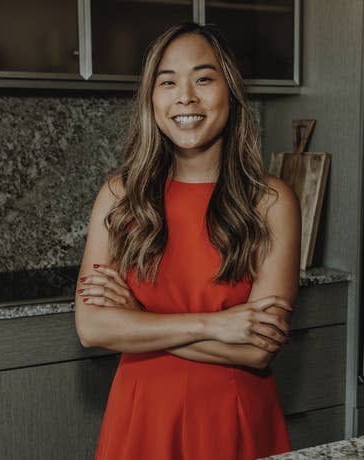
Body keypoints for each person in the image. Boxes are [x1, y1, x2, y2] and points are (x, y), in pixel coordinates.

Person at [74, 22, 301, 460]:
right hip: (140, 418)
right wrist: (216, 324)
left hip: (232, 420)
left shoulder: (272, 202)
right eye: (167, 82)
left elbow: (257, 350)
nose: (186, 97)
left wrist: (137, 321)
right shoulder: (120, 196)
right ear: (151, 100)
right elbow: (92, 327)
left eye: (203, 78)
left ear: (230, 94)